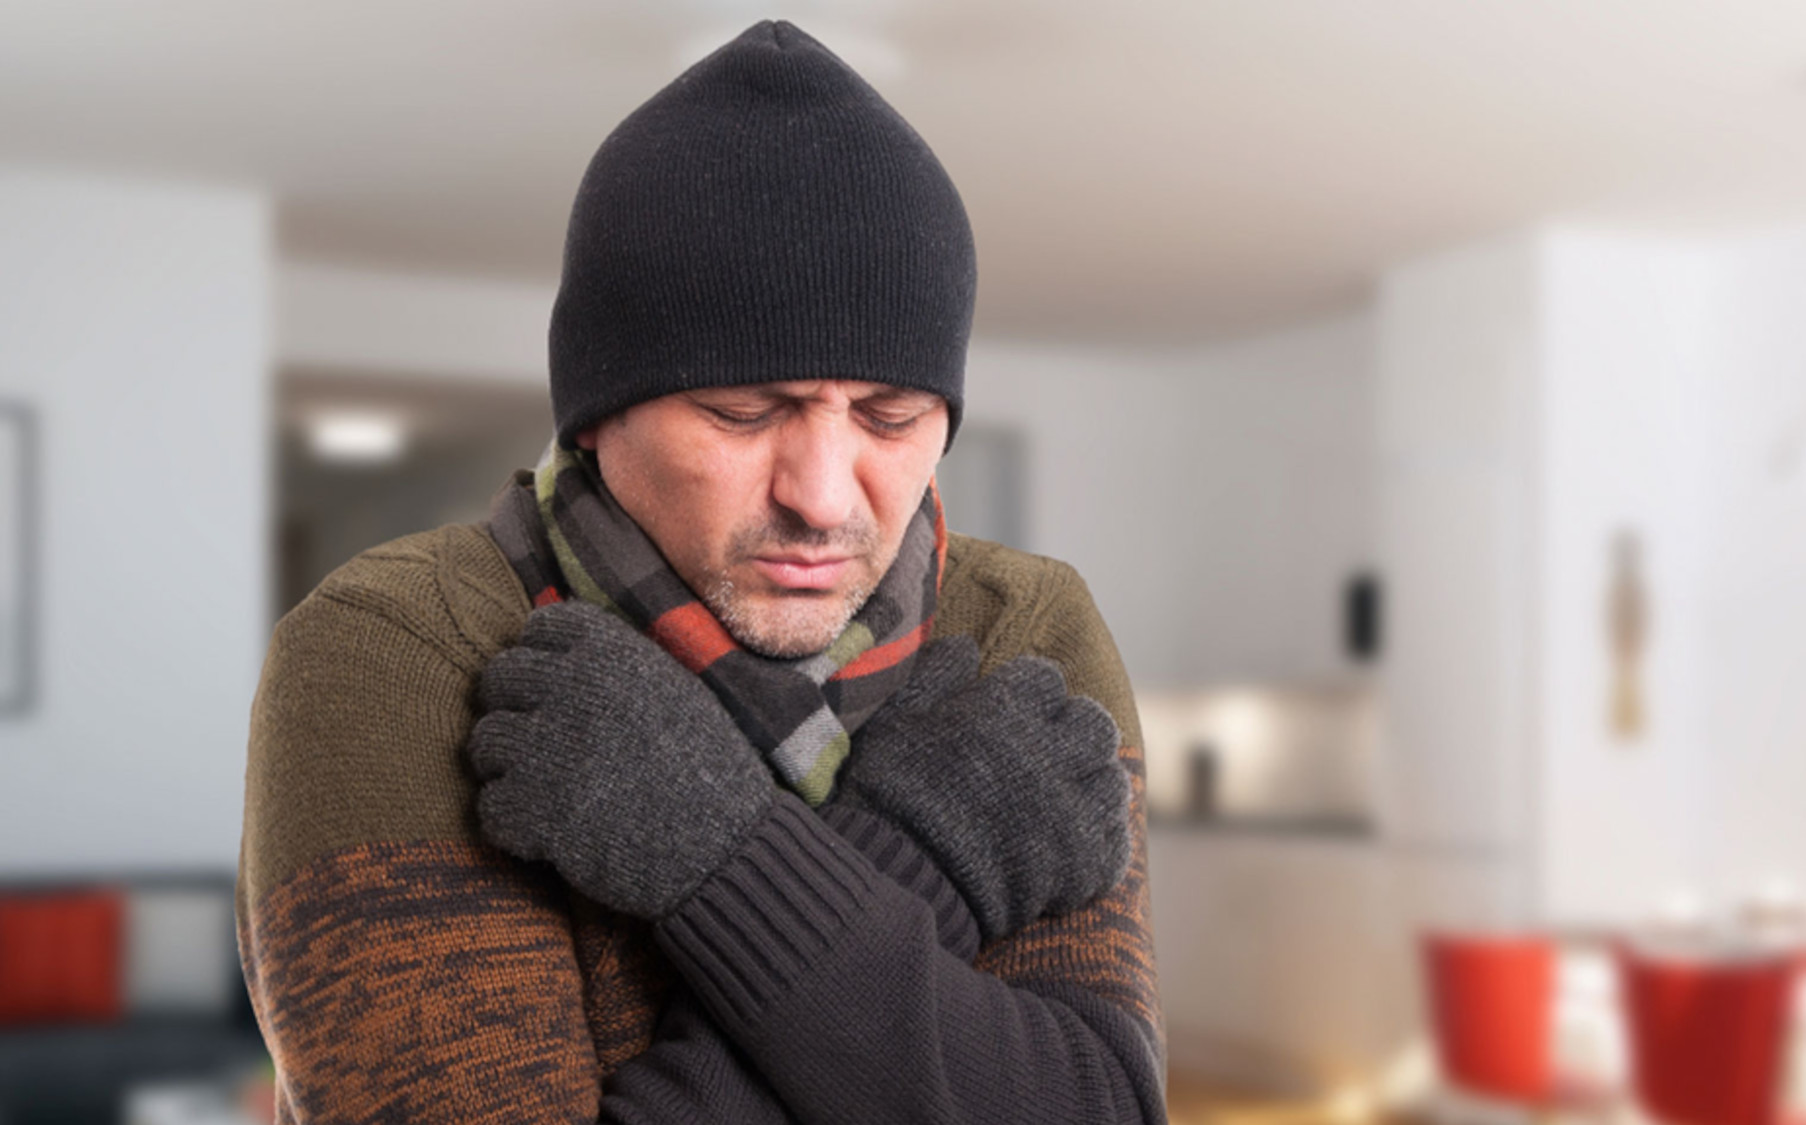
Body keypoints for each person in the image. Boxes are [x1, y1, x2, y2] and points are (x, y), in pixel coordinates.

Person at [236, 20, 1165, 1124]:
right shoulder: (388, 650)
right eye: (741, 412)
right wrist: (938, 863)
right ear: (596, 416)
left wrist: (723, 857)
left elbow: (1100, 1107)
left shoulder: (1024, 631)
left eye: (889, 415)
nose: (823, 497)